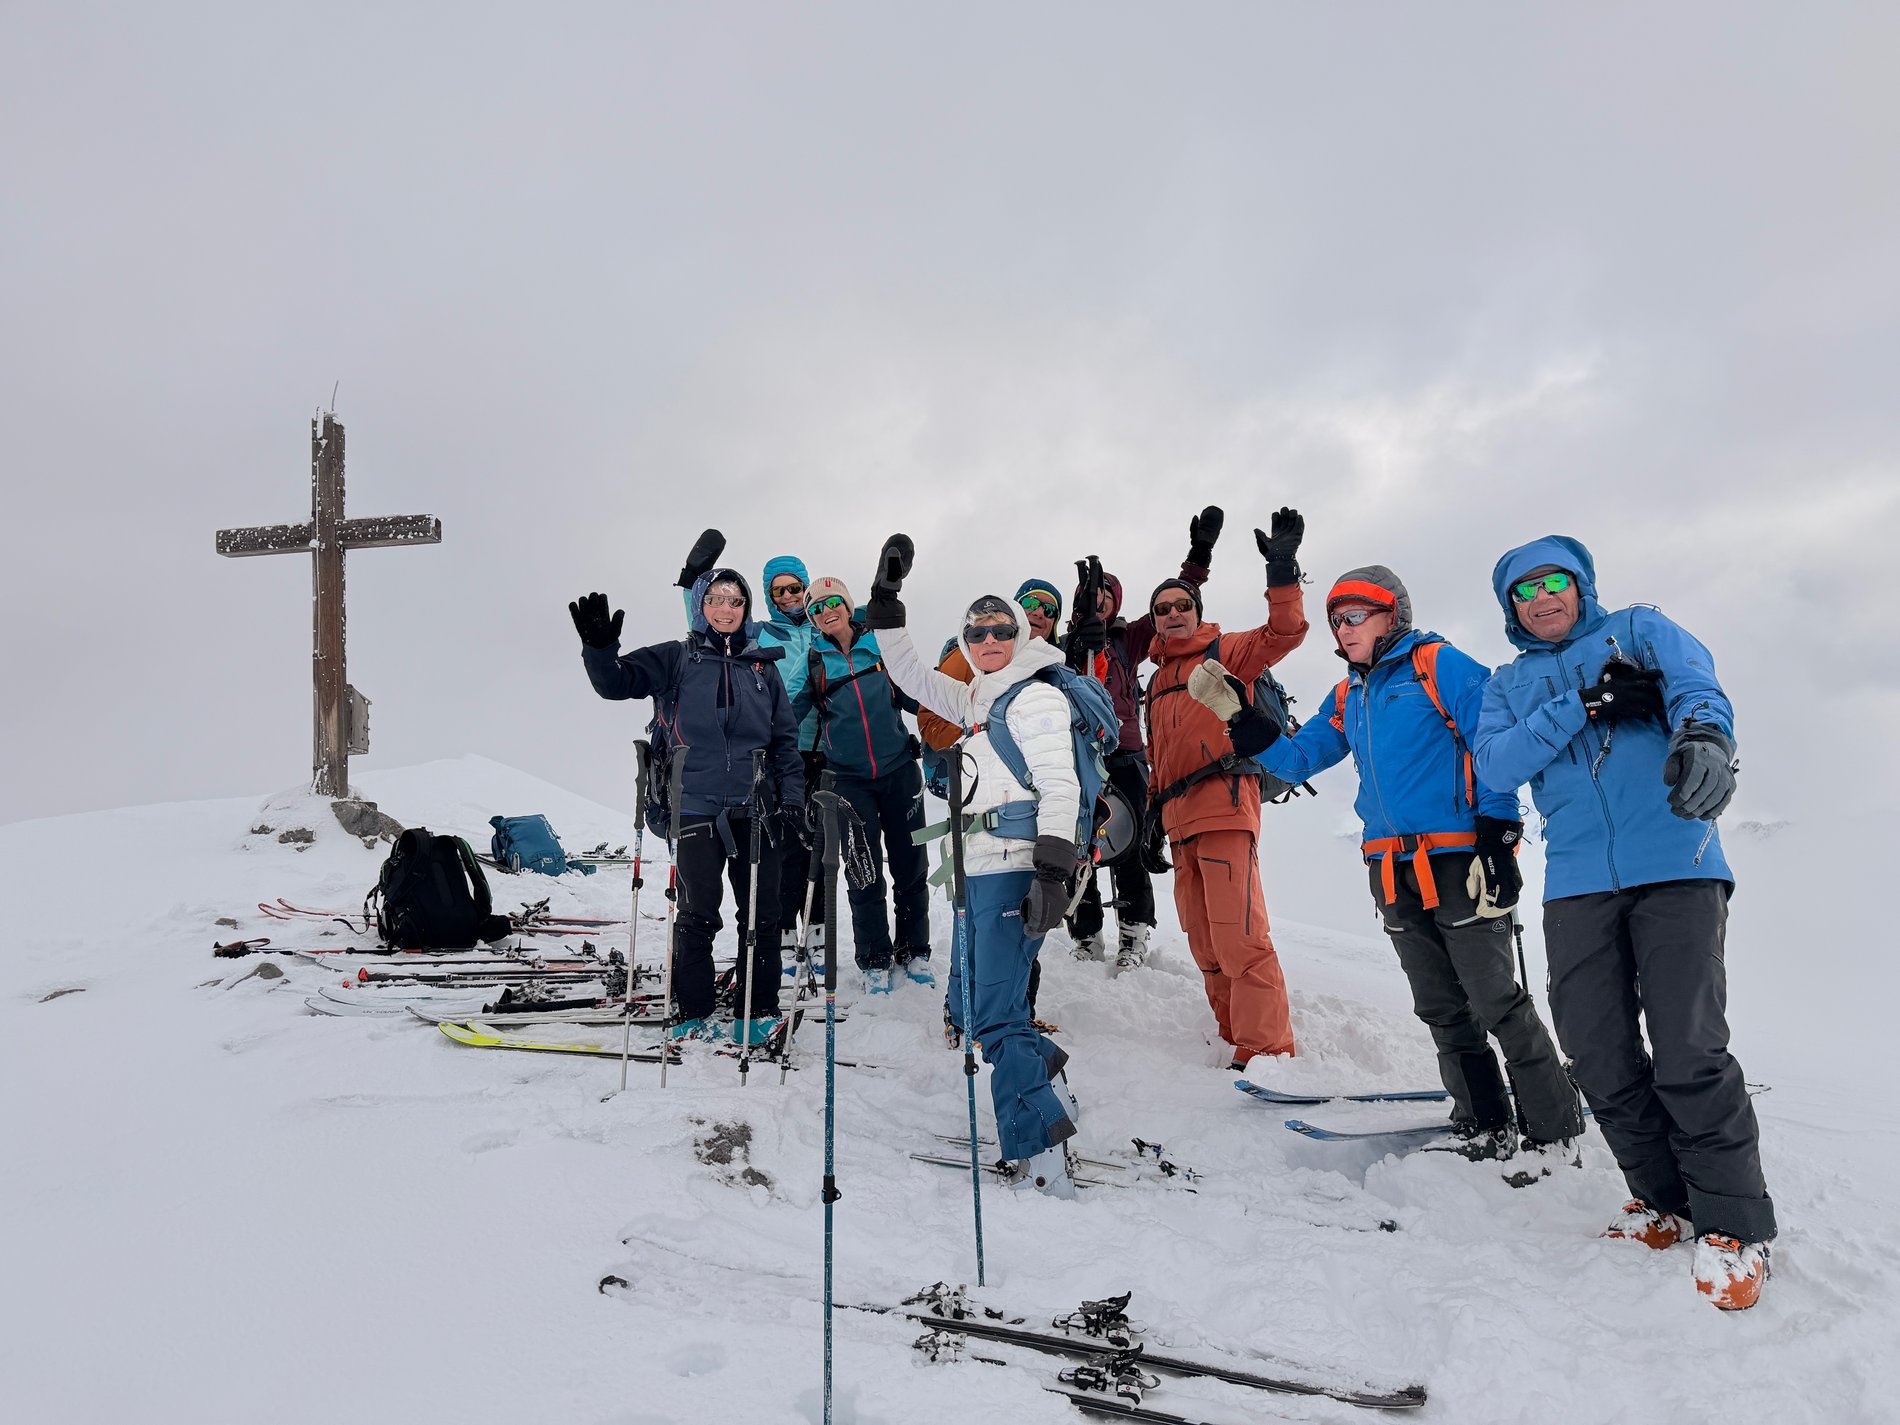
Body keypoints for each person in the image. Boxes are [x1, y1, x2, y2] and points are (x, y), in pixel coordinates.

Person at [1190, 566, 1583, 1163]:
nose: (1342, 629)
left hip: (1459, 859)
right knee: (1440, 1006)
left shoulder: (1439, 666)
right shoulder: (1348, 694)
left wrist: (1501, 835)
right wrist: (1240, 719)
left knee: (1495, 999)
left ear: (1391, 614)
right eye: (1335, 621)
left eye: (1355, 616)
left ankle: (1553, 1130)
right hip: (1390, 868)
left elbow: (1492, 745)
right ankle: (1482, 1122)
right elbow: (1296, 762)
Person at [1472, 535, 1774, 1310]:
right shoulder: (1507, 683)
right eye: (1524, 590)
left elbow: (1696, 683)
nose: (1542, 597)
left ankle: (1733, 1226)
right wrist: (1585, 704)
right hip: (1577, 880)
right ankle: (1665, 1202)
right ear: (1510, 606)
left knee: (1688, 1050)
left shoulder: (1636, 628)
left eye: (1555, 582)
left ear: (1581, 586)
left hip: (1677, 862)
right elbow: (1496, 764)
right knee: (1597, 1052)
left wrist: (1704, 736)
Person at [869, 536, 1085, 1198]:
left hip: (1018, 865)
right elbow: (909, 675)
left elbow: (1061, 785)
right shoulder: (978, 698)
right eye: (976, 631)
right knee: (1000, 1004)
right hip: (984, 865)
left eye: (1000, 629)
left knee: (993, 1018)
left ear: (1021, 635)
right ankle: (1051, 1086)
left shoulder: (1035, 697)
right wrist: (886, 602)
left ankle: (1041, 1153)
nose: (988, 639)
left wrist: (1052, 872)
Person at [569, 567, 805, 1043]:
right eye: (716, 599)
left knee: (762, 914)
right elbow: (615, 683)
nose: (725, 608)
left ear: (746, 609)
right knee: (699, 913)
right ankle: (692, 1011)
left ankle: (757, 1010)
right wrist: (600, 649)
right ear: (701, 606)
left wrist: (793, 799)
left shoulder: (764, 669)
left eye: (735, 600)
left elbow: (784, 741)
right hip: (694, 806)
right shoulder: (676, 658)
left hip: (755, 808)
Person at [1142, 507, 1308, 1070]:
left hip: (1224, 805)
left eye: (1181, 605)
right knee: (1204, 940)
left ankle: (1268, 1050)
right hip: (1177, 820)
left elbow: (1284, 633)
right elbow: (1159, 756)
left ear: (1197, 611)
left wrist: (1281, 570)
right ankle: (1234, 1033)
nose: (1173, 614)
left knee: (1239, 935)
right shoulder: (1157, 681)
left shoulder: (1226, 651)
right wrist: (1150, 819)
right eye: (1162, 609)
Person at [1058, 519, 1217, 973]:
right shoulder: (1064, 647)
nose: (1100, 601)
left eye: (1107, 594)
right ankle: (1086, 933)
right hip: (1077, 757)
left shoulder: (1128, 641)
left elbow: (1176, 601)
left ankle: (1134, 931)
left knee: (1129, 844)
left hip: (1126, 756)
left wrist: (1198, 557)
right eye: (1092, 594)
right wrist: (1075, 645)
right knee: (1079, 844)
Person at [792, 575, 932, 994]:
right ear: (812, 619)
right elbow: (787, 713)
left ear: (848, 605)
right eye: (817, 608)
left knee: (911, 866)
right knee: (862, 872)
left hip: (899, 771)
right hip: (849, 781)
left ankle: (915, 951)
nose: (826, 612)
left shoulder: (880, 647)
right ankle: (874, 959)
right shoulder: (814, 661)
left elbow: (919, 696)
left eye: (833, 602)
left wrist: (954, 716)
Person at [757, 554, 828, 974]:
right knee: (784, 845)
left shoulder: (824, 624)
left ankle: (817, 933)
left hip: (824, 749)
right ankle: (784, 932)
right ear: (769, 596)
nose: (788, 596)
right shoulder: (760, 632)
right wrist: (691, 584)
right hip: (781, 751)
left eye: (795, 588)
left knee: (820, 844)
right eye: (778, 590)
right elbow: (704, 623)